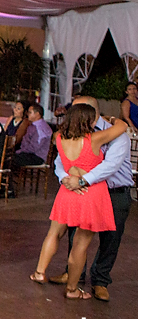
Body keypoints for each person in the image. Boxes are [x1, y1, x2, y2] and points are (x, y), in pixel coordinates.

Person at [30, 104, 125, 300]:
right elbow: (122, 126)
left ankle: (39, 272)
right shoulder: (95, 139)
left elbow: (60, 164)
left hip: (67, 191)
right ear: (89, 121)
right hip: (90, 194)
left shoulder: (59, 138)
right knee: (81, 244)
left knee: (54, 232)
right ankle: (72, 290)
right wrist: (113, 120)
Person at [10, 103, 52, 173]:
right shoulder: (33, 125)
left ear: (37, 114)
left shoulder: (40, 128)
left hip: (37, 157)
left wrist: (20, 151)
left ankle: (8, 182)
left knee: (11, 159)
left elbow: (33, 148)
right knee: (8, 156)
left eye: (30, 112)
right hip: (29, 153)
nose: (27, 114)